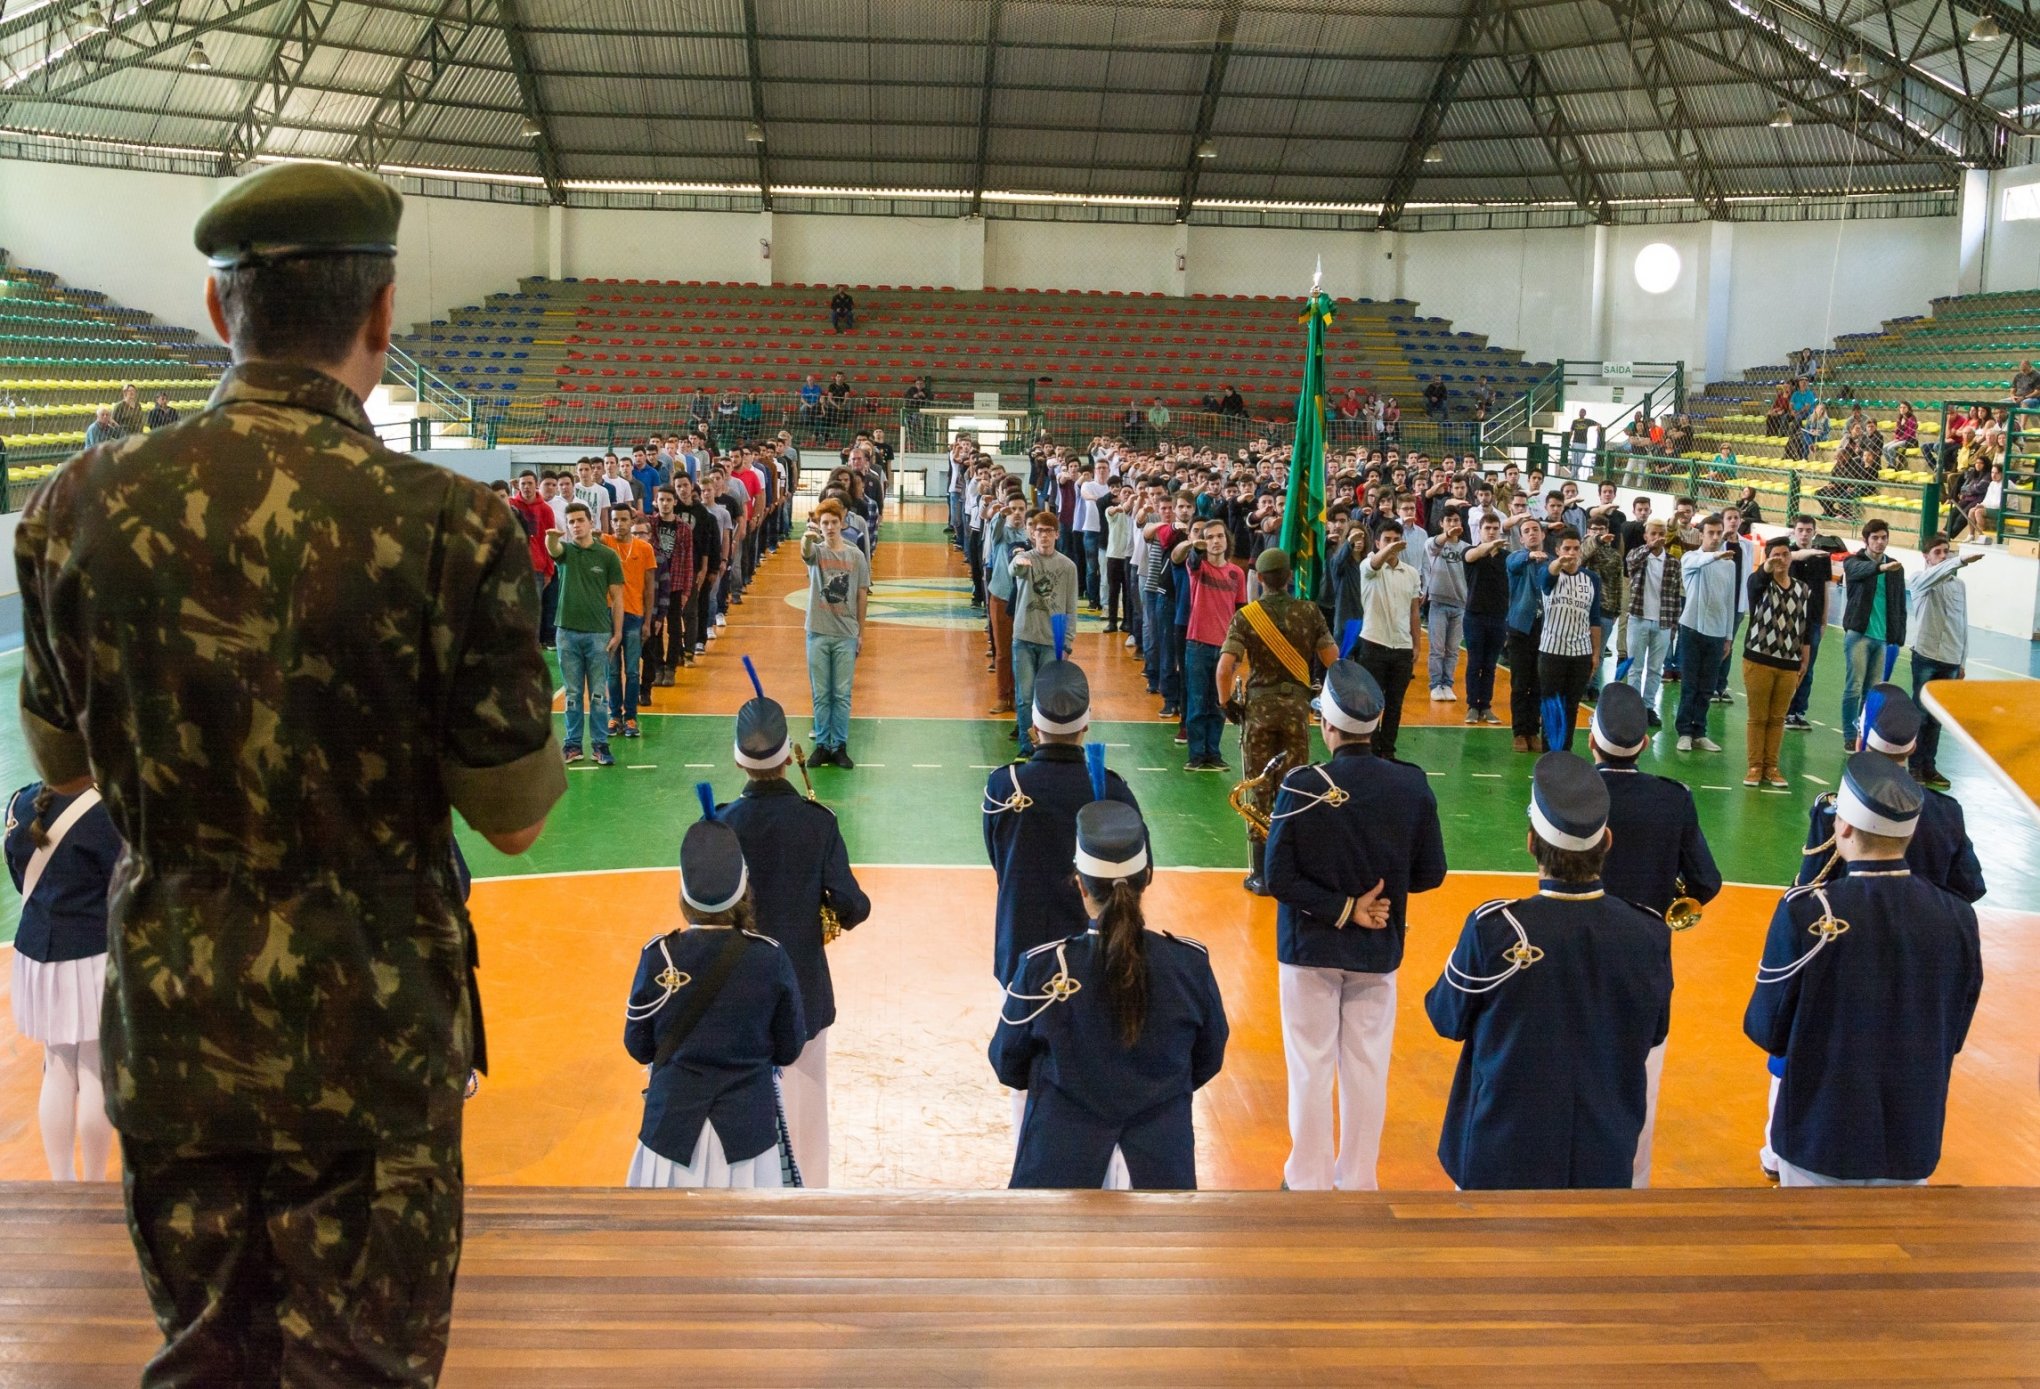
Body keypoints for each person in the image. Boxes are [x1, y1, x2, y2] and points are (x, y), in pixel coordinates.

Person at [14, 161, 561, 1385]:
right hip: (373, 1051)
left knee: (203, 1360)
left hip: (175, 1034)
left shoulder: (81, 505)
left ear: (220, 313)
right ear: (382, 317)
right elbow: (517, 812)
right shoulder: (449, 526)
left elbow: (57, 755)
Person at [1425, 754, 1673, 1190]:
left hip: (1497, 1156)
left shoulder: (1495, 930)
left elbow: (1446, 1017)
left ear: (1530, 844)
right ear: (1607, 840)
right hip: (1602, 1160)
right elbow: (1653, 1031)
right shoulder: (1648, 934)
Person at [1747, 754, 1982, 1187]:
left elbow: (1767, 1029)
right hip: (1910, 1139)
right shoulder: (1958, 916)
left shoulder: (1807, 913)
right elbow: (1955, 1031)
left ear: (1845, 827)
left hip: (1820, 1135)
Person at [1263, 662, 1444, 1190]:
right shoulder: (1410, 785)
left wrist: (1341, 907)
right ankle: (1359, 1177)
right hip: (1377, 947)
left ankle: (1307, 1179)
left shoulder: (1302, 785)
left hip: (1308, 948)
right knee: (1366, 1070)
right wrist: (1374, 893)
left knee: (1310, 1066)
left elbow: (1277, 876)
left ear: (1328, 726)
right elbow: (1431, 873)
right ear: (1378, 720)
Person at [990, 789, 1229, 1188]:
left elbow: (1007, 1061)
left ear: (1080, 885)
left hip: (1061, 1162)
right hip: (1161, 1163)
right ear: (1146, 879)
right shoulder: (1189, 964)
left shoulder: (1043, 967)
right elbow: (1209, 1054)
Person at [718, 669, 871, 1186]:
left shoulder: (720, 825)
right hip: (803, 989)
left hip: (735, 990)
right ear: (788, 756)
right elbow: (853, 904)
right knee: (807, 1122)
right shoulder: (817, 822)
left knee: (741, 1117)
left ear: (739, 759)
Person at [625, 792, 806, 1188]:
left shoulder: (659, 955)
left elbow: (637, 1046)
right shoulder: (770, 958)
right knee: (748, 1248)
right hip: (747, 1138)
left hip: (670, 1132)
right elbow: (789, 1048)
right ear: (743, 890)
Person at [1586, 684, 1719, 1186]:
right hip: (1646, 964)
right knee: (1642, 1080)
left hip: (1578, 953)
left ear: (1591, 742)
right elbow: (1707, 881)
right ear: (1644, 745)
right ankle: (1633, 1186)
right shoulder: (1672, 800)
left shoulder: (1576, 792)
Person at [983, 661, 1142, 995]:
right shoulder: (1113, 791)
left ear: (1034, 725)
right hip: (1096, 955)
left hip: (1021, 951)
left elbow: (999, 859)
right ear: (1086, 724)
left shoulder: (1005, 787)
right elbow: (1140, 873)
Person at [5, 778, 121, 1180]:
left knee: (56, 1066)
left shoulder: (19, 802)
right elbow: (121, 885)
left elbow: (21, 880)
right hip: (90, 951)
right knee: (93, 1069)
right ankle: (93, 1181)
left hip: (37, 950)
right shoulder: (107, 808)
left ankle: (61, 1181)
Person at [1215, 547, 1339, 893]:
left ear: (1259, 580)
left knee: (1259, 787)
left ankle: (1262, 874)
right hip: (1297, 711)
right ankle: (1292, 870)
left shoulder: (1247, 616)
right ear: (1289, 578)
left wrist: (1227, 705)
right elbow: (1333, 659)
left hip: (1258, 711)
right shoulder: (1310, 612)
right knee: (1294, 787)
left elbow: (1225, 667)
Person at [1795, 686, 1984, 903]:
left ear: (1860, 741)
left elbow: (1807, 894)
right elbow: (1969, 888)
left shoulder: (1836, 812)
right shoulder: (1947, 812)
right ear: (1912, 748)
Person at [549, 501, 625, 767]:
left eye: (580, 520)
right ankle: (572, 745)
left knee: (598, 694)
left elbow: (617, 598)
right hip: (566, 634)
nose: (576, 525)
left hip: (598, 636)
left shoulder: (607, 556)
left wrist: (617, 633)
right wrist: (551, 537)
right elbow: (553, 549)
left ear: (591, 523)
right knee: (571, 693)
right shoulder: (565, 552)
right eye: (571, 522)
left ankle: (600, 746)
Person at [1740, 535, 1817, 788]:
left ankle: (1772, 766)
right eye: (1776, 555)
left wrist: (1805, 658)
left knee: (1777, 718)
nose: (1781, 560)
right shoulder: (1760, 584)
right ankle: (1755, 767)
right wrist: (1766, 567)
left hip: (1789, 663)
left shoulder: (1803, 589)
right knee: (1758, 717)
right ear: (1767, 557)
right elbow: (1755, 581)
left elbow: (1805, 627)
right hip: (1758, 659)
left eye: (1785, 554)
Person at [1906, 536, 1983, 789]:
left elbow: (1963, 624)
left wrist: (1962, 660)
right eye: (1937, 552)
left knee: (1937, 717)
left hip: (1950, 658)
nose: (1943, 555)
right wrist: (1960, 560)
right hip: (1927, 655)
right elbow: (1937, 574)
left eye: (1947, 552)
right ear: (1926, 557)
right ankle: (1915, 765)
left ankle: (1930, 766)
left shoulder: (1958, 586)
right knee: (1921, 714)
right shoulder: (1921, 580)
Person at [801, 498, 872, 768]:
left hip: (846, 634)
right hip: (818, 632)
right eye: (824, 523)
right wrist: (807, 537)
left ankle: (839, 744)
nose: (829, 527)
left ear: (842, 524)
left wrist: (860, 632)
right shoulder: (817, 552)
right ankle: (822, 743)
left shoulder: (855, 556)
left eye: (833, 522)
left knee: (841, 693)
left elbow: (861, 594)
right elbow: (805, 551)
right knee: (821, 692)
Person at [1174, 518, 1249, 773]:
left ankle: (1214, 754)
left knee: (1220, 702)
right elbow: (1192, 559)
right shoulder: (1198, 567)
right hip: (1197, 644)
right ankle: (1196, 754)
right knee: (1196, 702)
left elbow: (1240, 613)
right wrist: (1196, 547)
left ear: (1227, 540)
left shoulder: (1236, 573)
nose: (1216, 541)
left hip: (1225, 648)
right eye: (1210, 537)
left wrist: (1239, 650)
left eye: (1220, 536)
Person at [1010, 510, 1081, 757]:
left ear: (1057, 535)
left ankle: (1045, 746)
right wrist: (1018, 562)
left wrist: (1068, 642)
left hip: (1053, 641)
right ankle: (1025, 745)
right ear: (1032, 533)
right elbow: (1015, 569)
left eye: (1049, 532)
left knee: (1047, 697)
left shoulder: (1068, 567)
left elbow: (1071, 606)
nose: (1044, 536)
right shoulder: (1024, 558)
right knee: (1024, 697)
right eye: (1040, 531)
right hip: (1024, 638)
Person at [1533, 525, 1606, 754]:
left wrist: (1595, 653)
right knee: (1551, 705)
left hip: (1580, 653)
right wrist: (1558, 563)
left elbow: (1594, 618)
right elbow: (1549, 575)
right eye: (1567, 548)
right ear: (1557, 549)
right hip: (1552, 651)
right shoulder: (1549, 573)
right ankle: (1549, 751)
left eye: (1576, 548)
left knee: (1571, 706)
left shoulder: (1591, 579)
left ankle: (1565, 751)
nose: (1572, 553)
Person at [1355, 518, 1422, 760]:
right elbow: (1375, 562)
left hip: (1401, 647)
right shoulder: (1367, 566)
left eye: (1396, 540)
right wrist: (1387, 552)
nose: (1392, 545)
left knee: (1395, 704)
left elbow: (1414, 611)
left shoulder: (1411, 573)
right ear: (1377, 542)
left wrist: (1417, 643)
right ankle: (1371, 750)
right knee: (1372, 702)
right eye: (1387, 540)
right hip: (1373, 643)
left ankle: (1388, 750)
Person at [1840, 519, 1906, 752]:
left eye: (1884, 537)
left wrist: (1898, 636)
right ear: (1866, 540)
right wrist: (1879, 568)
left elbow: (1899, 603)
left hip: (1882, 637)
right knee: (1854, 686)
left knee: (1873, 691)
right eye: (1875, 538)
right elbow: (1857, 571)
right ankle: (1849, 734)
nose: (1880, 542)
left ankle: (1863, 732)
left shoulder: (1896, 568)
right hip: (1859, 634)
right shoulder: (1854, 561)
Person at [1673, 514, 1737, 754]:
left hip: (1717, 632)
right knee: (1690, 683)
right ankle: (1684, 732)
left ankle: (1699, 731)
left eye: (1718, 533)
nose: (1715, 537)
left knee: (1707, 686)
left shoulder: (1729, 565)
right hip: (1691, 629)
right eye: (1710, 533)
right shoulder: (1692, 558)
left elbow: (1729, 601)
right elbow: (1697, 562)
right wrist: (1716, 555)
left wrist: (1728, 636)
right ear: (1701, 534)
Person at [1782, 515, 1845, 732]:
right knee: (1789, 665)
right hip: (1790, 620)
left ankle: (1799, 711)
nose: (1804, 534)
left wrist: (1825, 619)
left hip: (1814, 620)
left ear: (1814, 532)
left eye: (1809, 530)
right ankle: (1785, 709)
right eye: (1800, 530)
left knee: (1807, 668)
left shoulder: (1821, 558)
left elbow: (1825, 589)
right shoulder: (1786, 554)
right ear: (1794, 531)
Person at [601, 508, 658, 740]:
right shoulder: (605, 543)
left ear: (631, 521)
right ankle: (614, 715)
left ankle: (631, 716)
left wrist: (648, 621)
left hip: (634, 616)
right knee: (612, 671)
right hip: (608, 615)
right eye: (615, 519)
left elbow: (649, 588)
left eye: (623, 519)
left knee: (633, 671)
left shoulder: (645, 549)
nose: (619, 524)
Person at [1503, 517, 1549, 753]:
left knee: (1539, 683)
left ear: (1543, 535)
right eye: (1526, 531)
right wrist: (1530, 556)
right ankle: (1519, 732)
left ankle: (1534, 730)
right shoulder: (1516, 559)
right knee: (1520, 684)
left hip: (1547, 631)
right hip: (1521, 629)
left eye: (1535, 530)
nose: (1532, 534)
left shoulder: (1551, 563)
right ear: (1521, 538)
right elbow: (1513, 562)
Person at [1460, 511, 1509, 726]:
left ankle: (1485, 705)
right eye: (1487, 528)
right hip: (1474, 617)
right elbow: (1473, 555)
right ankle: (1472, 705)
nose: (1491, 532)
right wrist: (1487, 547)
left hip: (1498, 617)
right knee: (1475, 662)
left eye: (1494, 528)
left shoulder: (1507, 558)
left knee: (1490, 665)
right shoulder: (1471, 552)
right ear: (1479, 531)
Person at [1423, 506, 1469, 704]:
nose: (1453, 524)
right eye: (1448, 520)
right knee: (1437, 648)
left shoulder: (1467, 548)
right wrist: (1447, 535)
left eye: (1456, 520)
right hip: (1438, 602)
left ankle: (1447, 683)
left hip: (1460, 604)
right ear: (1441, 523)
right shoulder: (1434, 544)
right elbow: (1434, 545)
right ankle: (1435, 684)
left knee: (1453, 649)